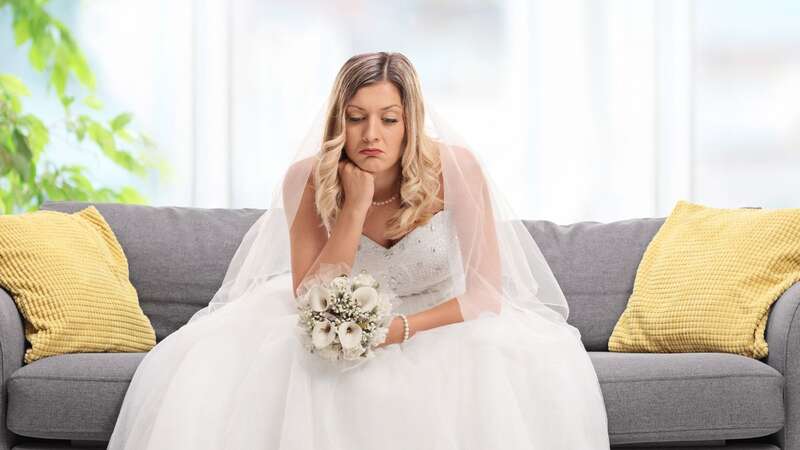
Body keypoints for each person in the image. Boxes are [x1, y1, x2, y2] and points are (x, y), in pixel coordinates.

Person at [107, 51, 610, 449]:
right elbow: (310, 292)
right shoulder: (306, 178)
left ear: (410, 119)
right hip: (336, 319)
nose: (372, 135)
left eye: (389, 119)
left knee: (495, 360)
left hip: (439, 321)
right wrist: (354, 207)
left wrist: (401, 330)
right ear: (338, 121)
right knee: (280, 369)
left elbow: (485, 295)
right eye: (356, 118)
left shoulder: (456, 168)